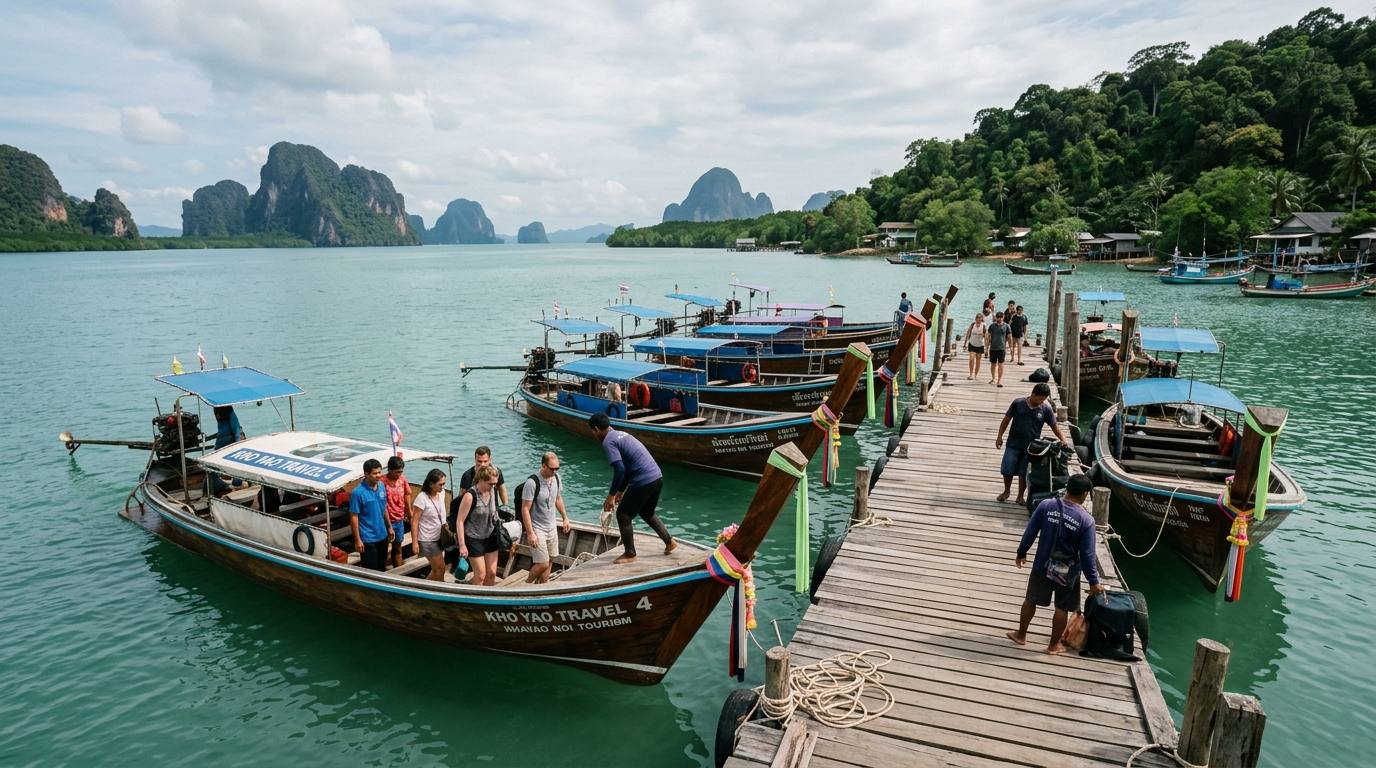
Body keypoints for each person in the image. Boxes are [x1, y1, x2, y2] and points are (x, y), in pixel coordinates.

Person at [1008, 474, 1106, 654]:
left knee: (1031, 599)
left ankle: (1021, 635)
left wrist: (1021, 553)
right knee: (1062, 607)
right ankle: (1053, 645)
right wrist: (1093, 581)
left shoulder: (1046, 506)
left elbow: (1030, 532)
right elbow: (1087, 555)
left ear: (1067, 487)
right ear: (1085, 494)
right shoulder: (1086, 520)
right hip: (1067, 571)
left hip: (1042, 565)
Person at [587, 412, 676, 564]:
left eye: (592, 431)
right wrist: (620, 492)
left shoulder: (608, 441)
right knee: (647, 512)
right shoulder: (621, 434)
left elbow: (620, 470)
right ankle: (669, 542)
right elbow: (627, 469)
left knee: (623, 515)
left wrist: (611, 496)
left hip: (644, 480)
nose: (593, 434)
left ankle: (630, 554)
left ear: (596, 429)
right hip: (657, 477)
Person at [995, 382, 1071, 504]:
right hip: (1013, 444)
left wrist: (1063, 439)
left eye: (1044, 399)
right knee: (1007, 468)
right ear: (1033, 394)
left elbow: (1054, 426)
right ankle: (1006, 491)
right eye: (1040, 398)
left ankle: (1020, 496)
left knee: (1023, 472)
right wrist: (999, 436)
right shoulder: (1018, 403)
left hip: (1031, 448)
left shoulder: (1045, 409)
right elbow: (1006, 420)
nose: (1042, 401)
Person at [519, 452, 573, 584]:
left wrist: (565, 517)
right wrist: (531, 533)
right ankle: (527, 584)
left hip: (551, 526)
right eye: (552, 469)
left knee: (551, 559)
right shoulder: (532, 483)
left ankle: (543, 585)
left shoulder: (557, 478)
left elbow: (558, 498)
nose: (555, 471)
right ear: (544, 466)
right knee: (542, 563)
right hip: (537, 528)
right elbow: (525, 509)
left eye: (557, 469)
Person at [456, 464, 502, 586]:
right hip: (473, 538)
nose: (493, 487)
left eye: (495, 484)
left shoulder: (492, 491)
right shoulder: (470, 496)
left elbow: (494, 512)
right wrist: (462, 545)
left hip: (490, 535)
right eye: (490, 484)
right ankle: (470, 595)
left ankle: (487, 599)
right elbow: (460, 521)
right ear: (481, 480)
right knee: (480, 575)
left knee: (492, 573)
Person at [350, 458, 393, 571]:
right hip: (368, 538)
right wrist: (357, 539)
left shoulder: (382, 487)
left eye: (379, 472)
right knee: (370, 570)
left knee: (382, 566)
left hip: (382, 535)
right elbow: (354, 517)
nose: (378, 475)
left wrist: (389, 527)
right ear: (366, 474)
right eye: (375, 473)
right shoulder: (357, 493)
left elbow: (384, 508)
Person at [411, 468, 448, 581]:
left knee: (436, 569)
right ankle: (440, 591)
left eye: (444, 484)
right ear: (431, 484)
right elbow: (415, 520)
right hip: (428, 539)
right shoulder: (422, 498)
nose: (442, 487)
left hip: (439, 537)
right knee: (440, 569)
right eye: (440, 484)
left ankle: (422, 587)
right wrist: (415, 542)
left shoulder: (442, 493)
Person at [383, 455, 411, 568]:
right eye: (396, 472)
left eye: (401, 472)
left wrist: (409, 511)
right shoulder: (381, 482)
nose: (399, 474)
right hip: (385, 520)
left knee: (397, 547)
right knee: (383, 548)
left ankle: (398, 569)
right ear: (389, 470)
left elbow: (407, 494)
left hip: (399, 519)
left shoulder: (402, 480)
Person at [986, 311, 1011, 387]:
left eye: (1001, 317)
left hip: (1002, 348)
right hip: (993, 348)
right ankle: (993, 378)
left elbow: (1009, 337)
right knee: (993, 364)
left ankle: (999, 380)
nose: (999, 319)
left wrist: (1011, 347)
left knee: (1001, 364)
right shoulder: (992, 326)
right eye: (998, 317)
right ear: (996, 318)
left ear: (1003, 318)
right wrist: (986, 349)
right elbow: (988, 338)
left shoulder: (1006, 326)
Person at [965, 312, 986, 380]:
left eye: (980, 318)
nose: (979, 319)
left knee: (978, 361)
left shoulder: (984, 326)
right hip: (972, 344)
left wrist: (986, 347)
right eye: (977, 318)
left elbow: (986, 337)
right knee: (971, 359)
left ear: (982, 319)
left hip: (980, 345)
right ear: (975, 319)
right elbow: (968, 333)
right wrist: (965, 343)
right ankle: (971, 374)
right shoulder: (972, 325)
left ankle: (975, 375)